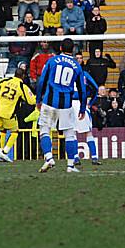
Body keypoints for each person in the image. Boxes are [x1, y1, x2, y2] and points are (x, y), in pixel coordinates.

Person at [35, 38, 87, 173]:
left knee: (45, 129)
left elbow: (42, 81)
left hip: (50, 101)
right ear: (73, 50)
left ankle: (48, 157)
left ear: (60, 48)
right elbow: (82, 89)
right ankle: (70, 166)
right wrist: (82, 108)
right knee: (70, 134)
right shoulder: (77, 66)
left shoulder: (52, 61)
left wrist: (38, 100)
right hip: (66, 104)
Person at [0, 67, 36, 163]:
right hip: (8, 113)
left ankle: (0, 150)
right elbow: (31, 101)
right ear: (23, 76)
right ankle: (5, 152)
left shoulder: (4, 81)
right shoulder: (22, 86)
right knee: (15, 132)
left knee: (3, 131)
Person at [73, 70, 101, 166]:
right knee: (88, 132)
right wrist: (91, 103)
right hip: (81, 103)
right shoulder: (84, 74)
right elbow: (95, 88)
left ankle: (75, 157)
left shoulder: (65, 72)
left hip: (69, 104)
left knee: (71, 133)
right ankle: (94, 157)